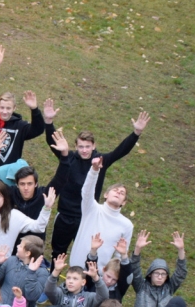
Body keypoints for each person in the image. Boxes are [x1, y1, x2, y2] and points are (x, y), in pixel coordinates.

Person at [43, 103, 150, 258]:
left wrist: (136, 133)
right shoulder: (68, 157)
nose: (84, 150)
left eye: (88, 146)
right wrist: (48, 122)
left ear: (94, 146)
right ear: (75, 146)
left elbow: (120, 151)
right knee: (58, 252)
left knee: (87, 253)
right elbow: (52, 142)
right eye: (81, 147)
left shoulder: (100, 160)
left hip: (87, 217)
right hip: (65, 215)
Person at [0, 181, 54, 294]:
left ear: (5, 197)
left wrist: (46, 208)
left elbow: (38, 227)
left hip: (0, 264)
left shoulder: (15, 215)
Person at [0, 129, 71, 249]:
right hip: (10, 246)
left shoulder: (43, 195)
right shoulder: (11, 193)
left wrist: (64, 155)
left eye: (30, 184)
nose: (26, 188)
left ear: (36, 184)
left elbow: (61, 179)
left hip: (34, 248)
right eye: (22, 184)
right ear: (17, 184)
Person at [67, 158, 135, 269]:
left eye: (122, 193)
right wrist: (94, 170)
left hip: (100, 276)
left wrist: (112, 276)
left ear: (124, 202)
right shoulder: (92, 208)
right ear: (106, 195)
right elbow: (87, 190)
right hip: (76, 270)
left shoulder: (127, 225)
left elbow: (120, 255)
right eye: (115, 190)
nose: (118, 192)